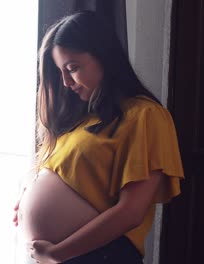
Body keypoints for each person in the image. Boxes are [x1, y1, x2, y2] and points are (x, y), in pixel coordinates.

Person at [12, 11, 184, 263]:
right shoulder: (81, 121)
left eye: (72, 68)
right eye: (61, 71)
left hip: (101, 256)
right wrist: (30, 187)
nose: (66, 82)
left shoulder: (145, 116)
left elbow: (130, 212)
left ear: (104, 57)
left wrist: (55, 253)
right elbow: (72, 174)